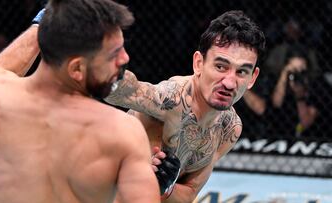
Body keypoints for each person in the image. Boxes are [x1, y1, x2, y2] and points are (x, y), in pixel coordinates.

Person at [0, 0, 160, 202]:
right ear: (76, 69)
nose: (124, 58)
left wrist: (53, 17)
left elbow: (0, 70)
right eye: (114, 54)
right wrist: (150, 183)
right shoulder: (120, 132)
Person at [105, 10, 266, 202]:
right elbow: (125, 89)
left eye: (241, 72)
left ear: (252, 78)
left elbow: (189, 193)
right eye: (221, 67)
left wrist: (166, 186)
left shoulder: (229, 128)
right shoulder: (170, 100)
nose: (230, 83)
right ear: (198, 63)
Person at [269, 45, 318, 137]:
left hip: (310, 136)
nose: (298, 74)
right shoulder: (281, 82)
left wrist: (300, 97)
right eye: (294, 71)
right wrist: (284, 73)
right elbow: (276, 103)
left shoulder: (315, 86)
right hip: (281, 133)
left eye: (301, 71)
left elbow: (305, 123)